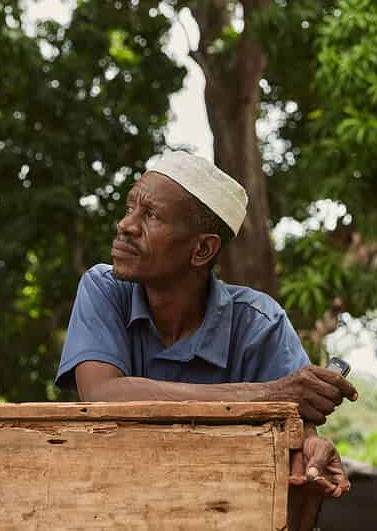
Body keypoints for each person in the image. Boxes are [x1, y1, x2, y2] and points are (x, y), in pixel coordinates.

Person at [56, 151, 357, 522]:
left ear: (201, 249)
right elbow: (102, 394)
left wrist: (310, 456)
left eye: (150, 215)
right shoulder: (105, 288)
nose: (125, 225)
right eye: (131, 207)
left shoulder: (260, 325)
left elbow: (298, 435)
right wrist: (266, 395)